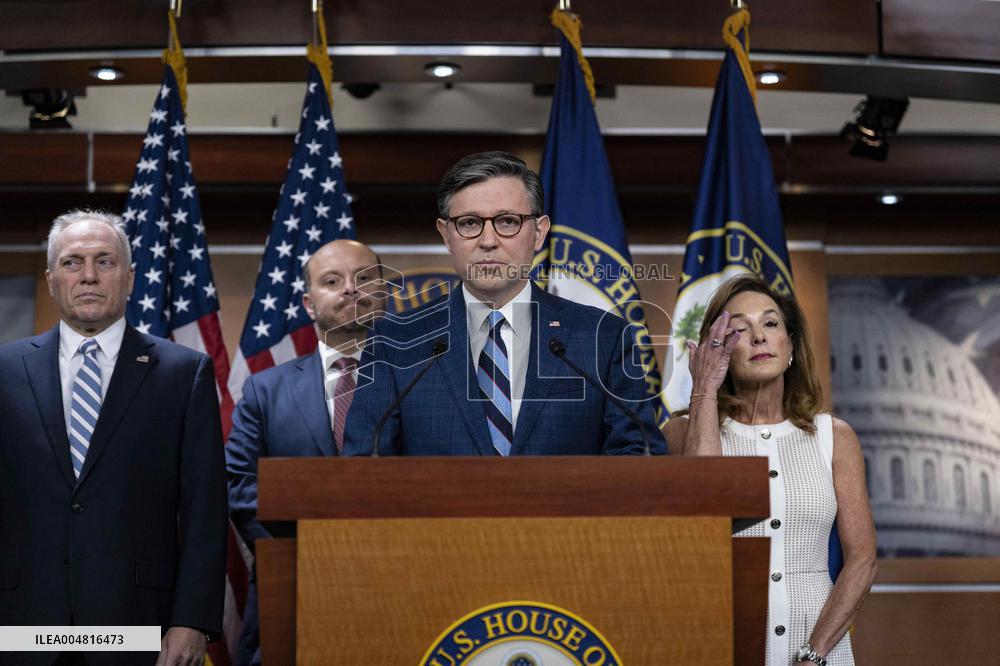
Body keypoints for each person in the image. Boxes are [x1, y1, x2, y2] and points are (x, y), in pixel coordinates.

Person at [0, 210, 226, 666]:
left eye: (104, 262)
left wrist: (192, 620)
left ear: (129, 278)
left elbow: (205, 510)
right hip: (22, 626)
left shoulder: (184, 374)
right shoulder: (4, 371)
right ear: (51, 280)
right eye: (72, 262)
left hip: (137, 625)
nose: (88, 275)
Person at [343, 151, 665, 456]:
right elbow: (365, 463)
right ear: (446, 234)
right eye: (469, 223)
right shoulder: (395, 341)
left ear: (539, 232)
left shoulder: (602, 337)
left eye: (508, 221)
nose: (488, 241)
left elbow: (638, 453)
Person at [665, 273, 877, 665]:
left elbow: (862, 559)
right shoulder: (681, 433)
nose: (759, 337)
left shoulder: (835, 437)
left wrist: (814, 653)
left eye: (771, 323)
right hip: (722, 645)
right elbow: (704, 519)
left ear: (790, 344)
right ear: (717, 350)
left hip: (820, 651)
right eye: (739, 329)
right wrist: (705, 388)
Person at [225, 239, 385, 666]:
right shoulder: (265, 390)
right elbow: (238, 485)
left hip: (397, 587)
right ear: (309, 304)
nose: (350, 288)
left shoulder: (426, 380)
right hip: (290, 588)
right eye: (332, 281)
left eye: (364, 278)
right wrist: (311, 545)